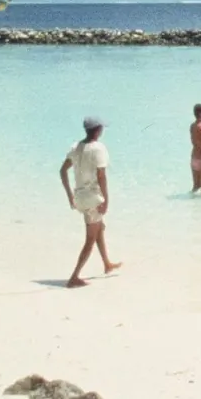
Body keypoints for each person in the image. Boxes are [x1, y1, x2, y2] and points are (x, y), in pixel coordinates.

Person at [59, 116, 122, 288]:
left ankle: (107, 264)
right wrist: (106, 199)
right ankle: (74, 277)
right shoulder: (99, 148)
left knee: (99, 228)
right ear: (97, 130)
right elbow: (101, 176)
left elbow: (62, 171)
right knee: (90, 238)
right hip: (93, 199)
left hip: (80, 198)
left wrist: (69, 195)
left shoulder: (75, 147)